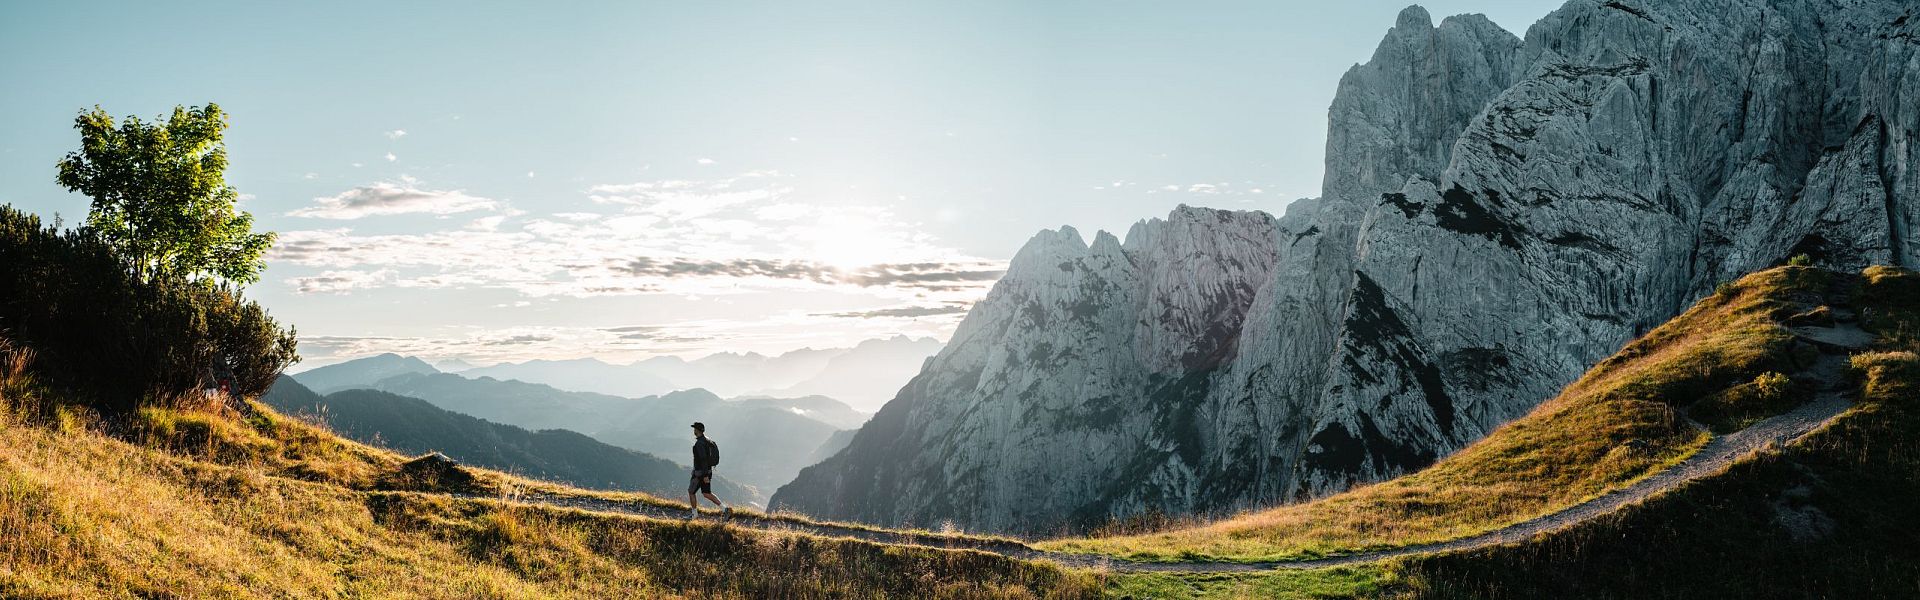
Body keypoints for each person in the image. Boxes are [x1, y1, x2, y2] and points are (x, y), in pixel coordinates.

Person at [687, 422, 731, 520]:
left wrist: (704, 475)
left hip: (700, 473)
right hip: (708, 471)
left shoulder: (699, 443)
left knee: (691, 492)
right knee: (706, 493)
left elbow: (703, 459)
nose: (694, 430)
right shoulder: (707, 440)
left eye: (694, 429)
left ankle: (694, 514)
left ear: (697, 430)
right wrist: (706, 474)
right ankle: (725, 509)